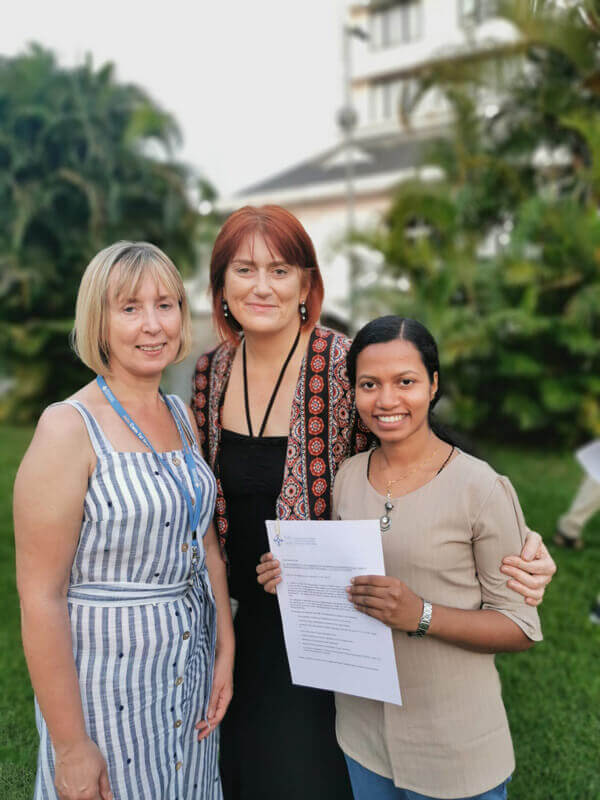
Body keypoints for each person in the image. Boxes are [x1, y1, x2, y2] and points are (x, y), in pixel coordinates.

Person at [193, 206, 555, 800]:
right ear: (221, 285)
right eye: (245, 269)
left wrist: (523, 543)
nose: (262, 286)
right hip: (248, 617)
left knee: (308, 775)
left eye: (280, 270)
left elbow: (423, 450)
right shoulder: (210, 375)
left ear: (307, 284)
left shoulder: (342, 365)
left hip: (336, 616)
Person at [260, 315, 543, 800]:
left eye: (405, 382)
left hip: (454, 747)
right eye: (370, 384)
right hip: (363, 735)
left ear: (433, 386)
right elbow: (349, 579)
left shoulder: (481, 488)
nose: (386, 400)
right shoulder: (348, 476)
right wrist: (294, 577)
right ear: (353, 391)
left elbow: (520, 628)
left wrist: (422, 615)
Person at [14, 242, 234, 800]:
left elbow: (204, 544)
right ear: (99, 320)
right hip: (106, 686)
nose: (153, 325)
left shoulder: (182, 417)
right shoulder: (68, 427)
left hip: (189, 667)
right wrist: (70, 746)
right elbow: (41, 596)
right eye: (130, 307)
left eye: (166, 304)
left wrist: (225, 648)